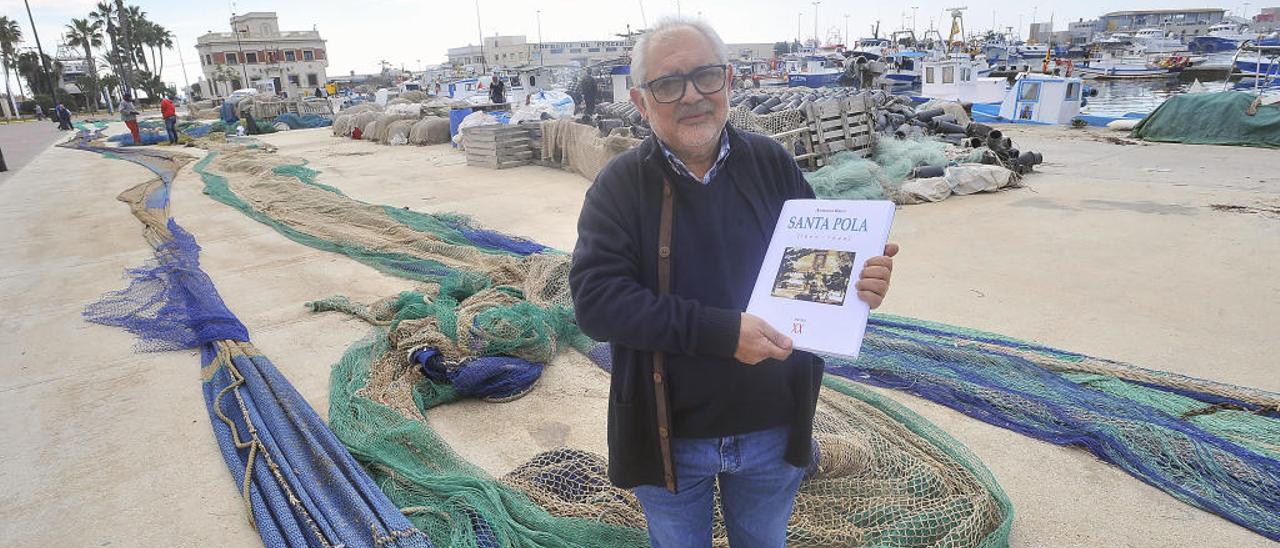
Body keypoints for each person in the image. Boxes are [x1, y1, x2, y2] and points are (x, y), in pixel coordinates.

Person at [568, 17, 897, 547]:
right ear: (639, 100)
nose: (692, 95)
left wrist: (860, 283)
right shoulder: (620, 185)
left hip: (773, 428)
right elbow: (596, 303)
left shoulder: (772, 162)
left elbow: (820, 263)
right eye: (668, 83)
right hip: (668, 437)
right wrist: (723, 334)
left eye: (706, 76)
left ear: (729, 79)